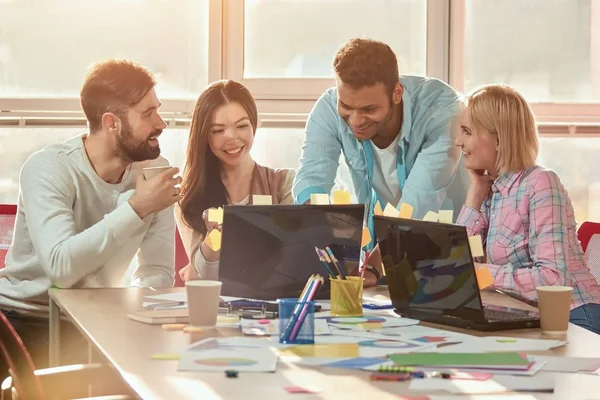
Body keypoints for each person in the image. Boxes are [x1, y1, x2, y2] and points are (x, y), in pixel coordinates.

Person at [0, 59, 180, 375]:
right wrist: (137, 207)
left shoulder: (154, 172)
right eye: (148, 113)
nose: (161, 122)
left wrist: (128, 311)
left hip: (97, 322)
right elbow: (61, 269)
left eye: (158, 110)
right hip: (23, 319)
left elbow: (157, 270)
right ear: (112, 122)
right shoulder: (48, 168)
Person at [292, 38, 468, 284]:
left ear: (397, 93)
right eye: (346, 106)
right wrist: (317, 236)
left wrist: (375, 265)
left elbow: (420, 201)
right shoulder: (328, 109)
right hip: (387, 245)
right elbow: (312, 178)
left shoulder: (441, 111)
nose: (355, 120)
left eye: (369, 109)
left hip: (451, 244)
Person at [455, 83, 600, 334]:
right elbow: (459, 262)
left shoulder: (541, 184)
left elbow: (553, 280)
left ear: (499, 139)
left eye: (467, 131)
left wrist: (482, 275)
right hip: (526, 313)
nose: (458, 141)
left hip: (576, 316)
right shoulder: (492, 189)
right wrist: (474, 196)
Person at [176, 80, 295, 282]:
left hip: (273, 306)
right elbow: (205, 277)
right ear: (204, 135)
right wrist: (215, 238)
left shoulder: (283, 183)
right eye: (218, 130)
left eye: (241, 126)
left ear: (253, 125)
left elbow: (292, 261)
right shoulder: (188, 197)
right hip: (217, 308)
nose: (231, 138)